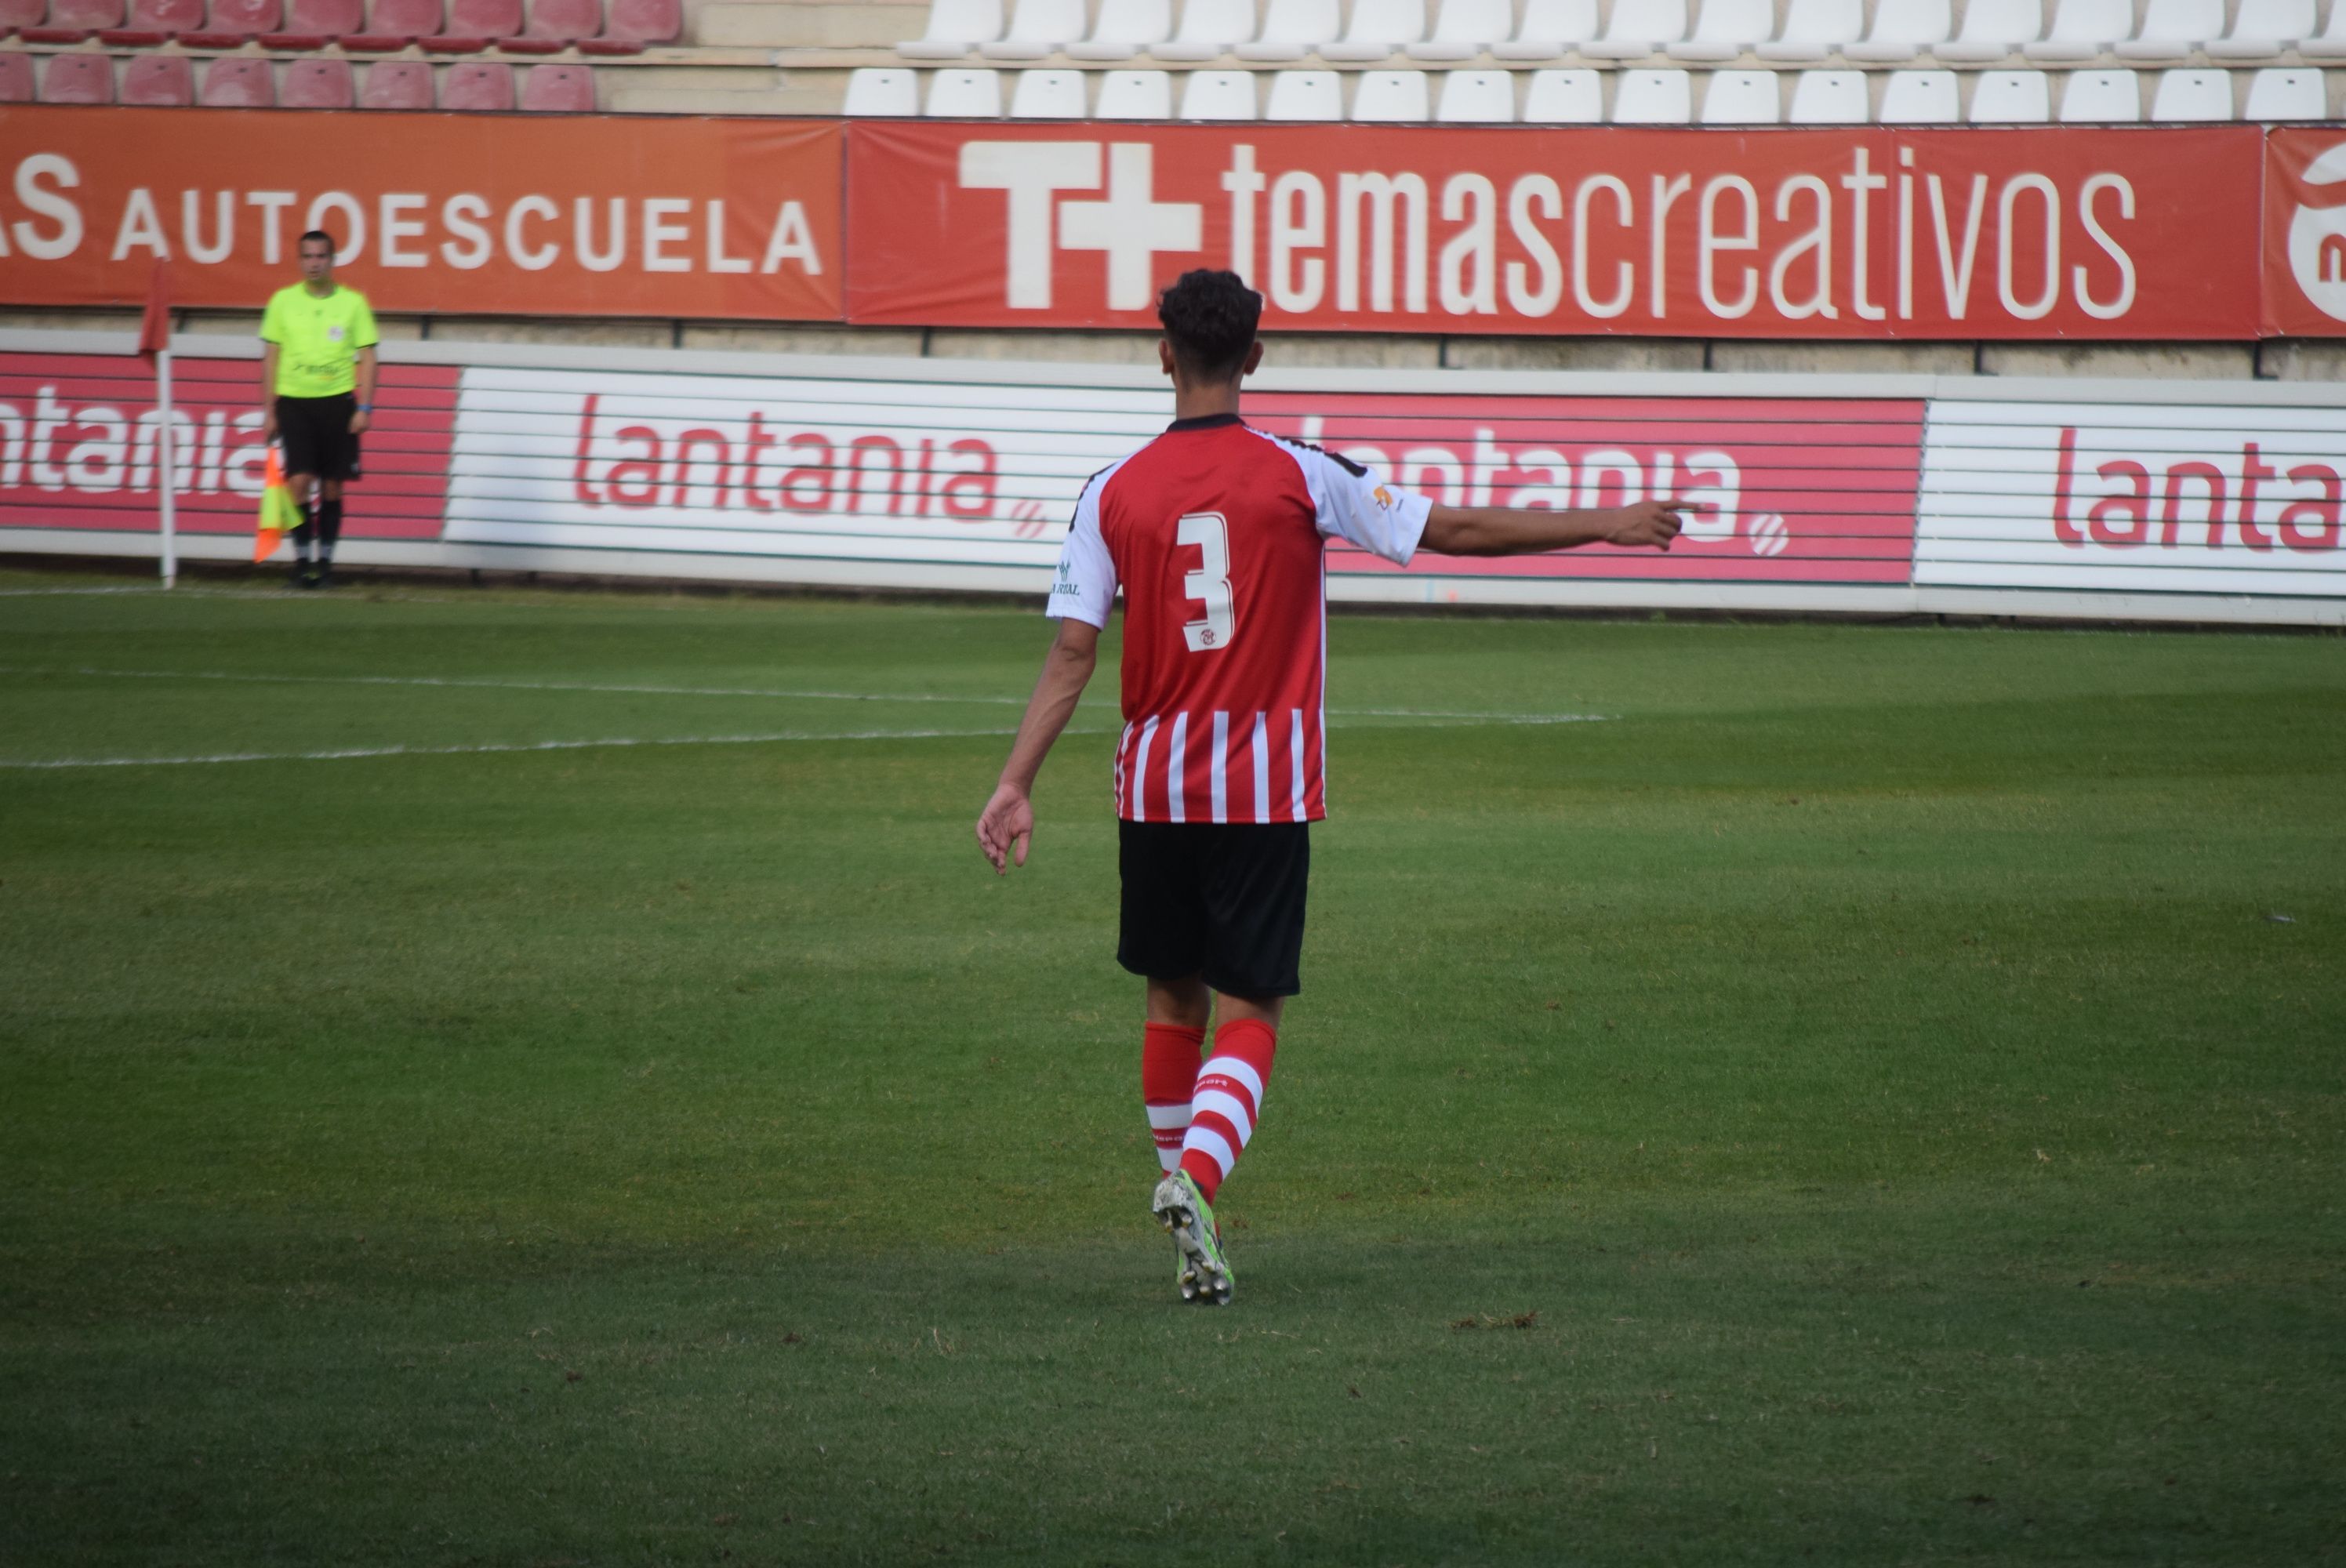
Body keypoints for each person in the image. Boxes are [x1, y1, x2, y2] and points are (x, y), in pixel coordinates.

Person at [973, 269, 1694, 1307]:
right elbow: (1452, 532)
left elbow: (1073, 655)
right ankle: (1197, 1185)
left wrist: (1014, 783)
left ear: (1163, 354)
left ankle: (1182, 1203)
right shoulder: (1303, 475)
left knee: (1173, 991)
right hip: (1262, 792)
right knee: (1252, 1001)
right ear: (1256, 357)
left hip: (1155, 795)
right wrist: (1607, 522)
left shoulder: (1110, 490)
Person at [260, 230, 377, 590]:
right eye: (308, 257)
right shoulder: (282, 302)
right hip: (295, 402)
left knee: (331, 487)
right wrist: (269, 410)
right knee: (298, 482)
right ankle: (301, 562)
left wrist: (365, 406)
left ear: (332, 260)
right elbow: (271, 357)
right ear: (300, 261)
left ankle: (325, 564)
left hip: (338, 401)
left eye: (321, 257)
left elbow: (369, 357)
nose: (314, 263)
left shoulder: (353, 303)